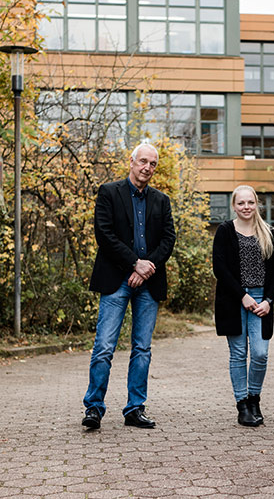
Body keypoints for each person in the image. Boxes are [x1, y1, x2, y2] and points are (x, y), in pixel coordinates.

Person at [82, 143, 176, 430]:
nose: (147, 167)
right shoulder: (109, 192)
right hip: (115, 280)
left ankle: (135, 409)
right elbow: (105, 235)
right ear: (132, 162)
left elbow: (168, 239)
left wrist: (146, 269)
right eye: (143, 161)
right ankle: (94, 408)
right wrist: (134, 263)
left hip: (149, 282)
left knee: (142, 349)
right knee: (104, 347)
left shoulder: (161, 200)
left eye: (152, 164)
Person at [213, 185, 274, 427]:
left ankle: (254, 399)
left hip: (261, 299)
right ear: (234, 206)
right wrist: (243, 296)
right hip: (234, 300)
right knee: (239, 353)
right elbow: (219, 268)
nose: (246, 207)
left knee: (261, 353)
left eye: (250, 203)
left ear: (256, 204)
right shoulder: (225, 231)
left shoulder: (268, 232)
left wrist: (268, 301)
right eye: (241, 203)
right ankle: (242, 405)